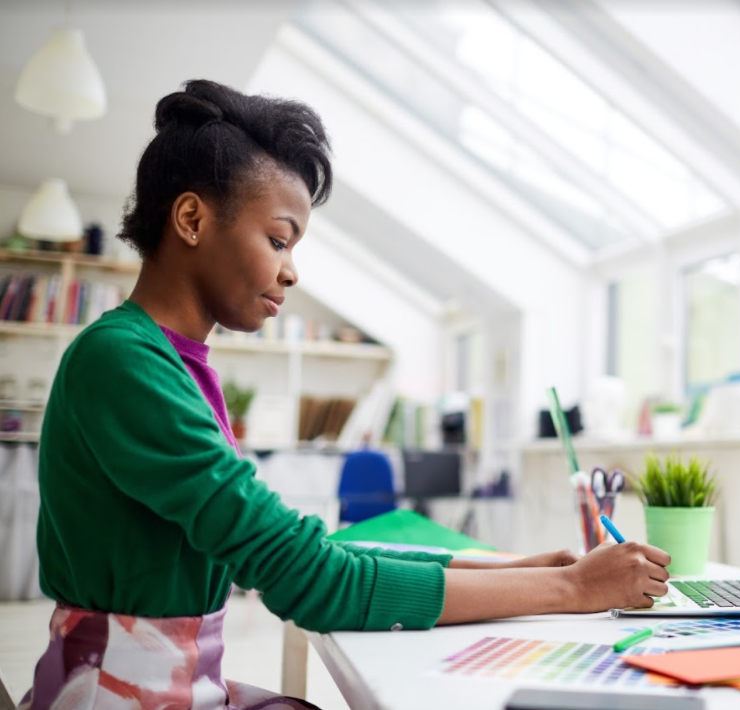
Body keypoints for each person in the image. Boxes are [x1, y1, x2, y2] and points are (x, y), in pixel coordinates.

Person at [20, 80, 670, 710]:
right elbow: (311, 580)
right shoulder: (124, 362)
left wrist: (517, 569)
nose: (292, 270)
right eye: (278, 239)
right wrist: (567, 588)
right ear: (191, 218)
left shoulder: (171, 362)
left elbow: (301, 552)